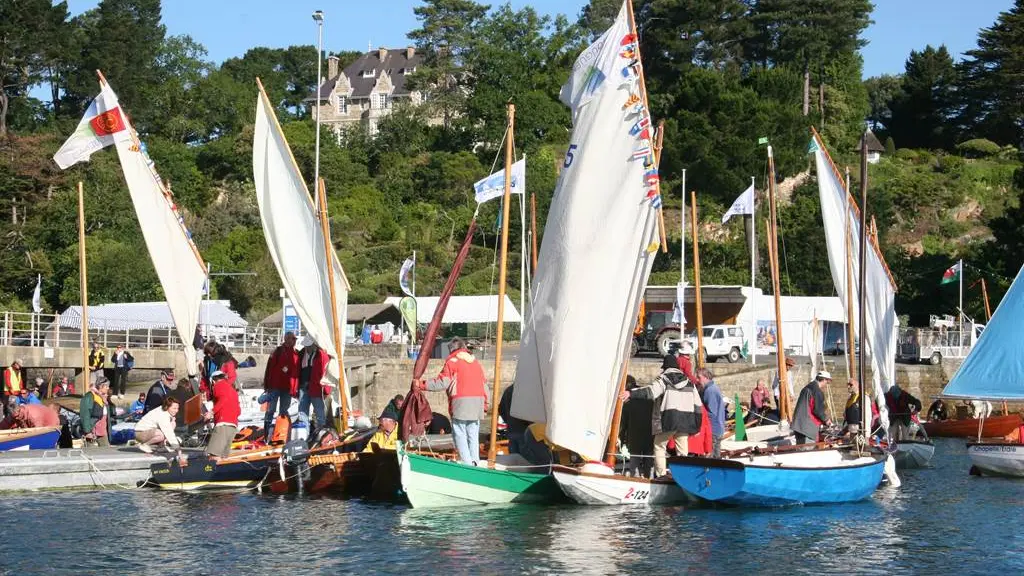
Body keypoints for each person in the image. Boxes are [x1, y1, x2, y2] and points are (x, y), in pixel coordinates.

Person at [618, 365, 703, 478]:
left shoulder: (664, 380)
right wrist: (697, 427)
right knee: (682, 451)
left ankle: (661, 475)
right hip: (686, 422)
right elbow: (698, 406)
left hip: (669, 419)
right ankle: (684, 476)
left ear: (666, 368)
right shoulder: (690, 383)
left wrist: (631, 393)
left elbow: (650, 392)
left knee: (659, 446)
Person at [418, 337, 489, 466]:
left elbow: (442, 382)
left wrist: (421, 385)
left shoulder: (452, 361)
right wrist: (485, 404)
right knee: (473, 434)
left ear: (452, 349)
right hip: (478, 402)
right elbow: (485, 385)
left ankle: (467, 464)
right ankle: (475, 462)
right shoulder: (475, 362)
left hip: (461, 402)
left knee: (459, 433)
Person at [263, 332, 298, 440]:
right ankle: (266, 433)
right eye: (293, 339)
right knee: (270, 410)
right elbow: (269, 369)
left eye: (294, 339)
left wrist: (295, 388)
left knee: (283, 411)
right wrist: (266, 384)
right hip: (274, 386)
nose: (294, 341)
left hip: (287, 388)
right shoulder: (277, 351)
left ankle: (283, 433)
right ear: (287, 339)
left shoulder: (296, 353)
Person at [619, 375, 654, 477]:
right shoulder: (649, 399)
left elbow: (623, 424)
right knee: (649, 461)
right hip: (649, 435)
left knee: (634, 463)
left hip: (634, 437)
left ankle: (635, 478)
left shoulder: (628, 403)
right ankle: (650, 480)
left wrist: (621, 440)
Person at [297, 335, 331, 429]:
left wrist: (326, 390)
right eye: (306, 346)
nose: (306, 347)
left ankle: (321, 433)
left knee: (320, 414)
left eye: (308, 346)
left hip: (316, 388)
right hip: (303, 387)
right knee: (302, 413)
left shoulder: (322, 355)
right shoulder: (302, 354)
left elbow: (326, 372)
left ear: (314, 345)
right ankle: (304, 434)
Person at [206, 370, 240, 459]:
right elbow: (238, 410)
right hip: (233, 425)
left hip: (223, 424)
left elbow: (223, 399)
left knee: (214, 455)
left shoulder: (218, 386)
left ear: (213, 381)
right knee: (223, 457)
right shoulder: (232, 389)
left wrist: (211, 412)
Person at [792, 371, 832, 445]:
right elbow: (817, 410)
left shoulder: (807, 387)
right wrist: (826, 419)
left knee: (800, 450)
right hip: (807, 428)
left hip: (798, 425)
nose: (826, 384)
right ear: (824, 380)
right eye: (827, 382)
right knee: (807, 451)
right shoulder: (817, 391)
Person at [697, 368, 725, 458]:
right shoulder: (714, 388)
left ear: (705, 377)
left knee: (711, 459)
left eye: (699, 377)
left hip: (713, 429)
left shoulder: (710, 391)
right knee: (716, 459)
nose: (697, 380)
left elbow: (711, 412)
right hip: (719, 428)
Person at [498, 384, 530, 455]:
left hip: (512, 430)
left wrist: (508, 421)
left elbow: (501, 410)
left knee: (514, 459)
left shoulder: (508, 390)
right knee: (526, 461)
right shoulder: (527, 390)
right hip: (524, 431)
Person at [80, 378, 111, 447]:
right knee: (91, 453)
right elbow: (85, 414)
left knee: (107, 451)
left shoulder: (103, 397)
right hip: (92, 430)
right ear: (100, 386)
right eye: (106, 386)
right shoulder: (89, 396)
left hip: (102, 430)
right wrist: (87, 431)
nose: (108, 388)